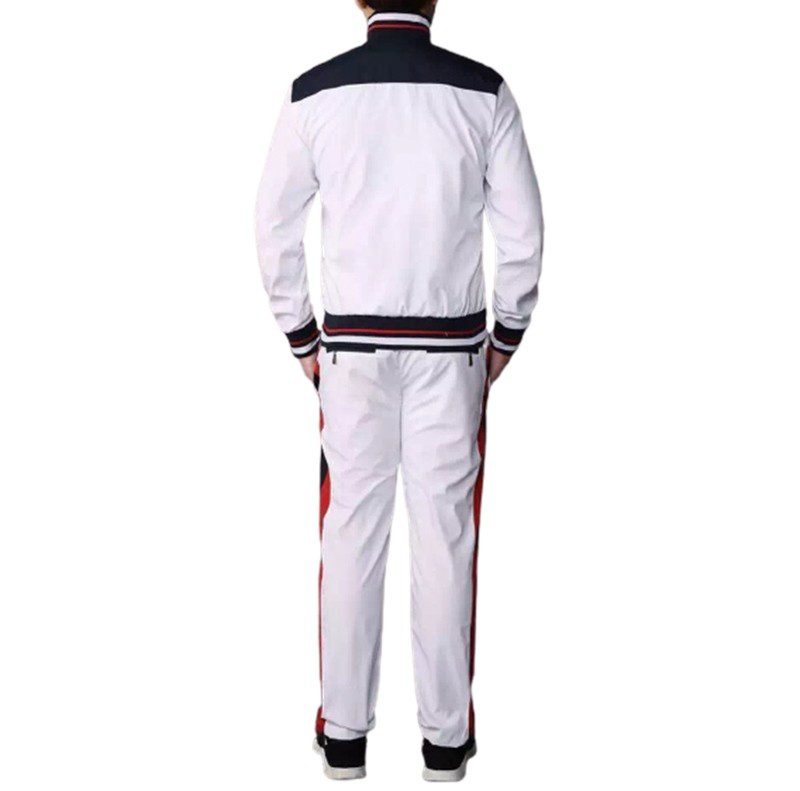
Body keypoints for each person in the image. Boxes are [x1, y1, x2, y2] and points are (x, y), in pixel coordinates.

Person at [255, 0, 543, 781]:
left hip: (352, 351)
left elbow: (272, 227)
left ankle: (344, 736)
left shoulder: (315, 92)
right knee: (447, 540)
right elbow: (523, 235)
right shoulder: (483, 91)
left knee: (351, 534)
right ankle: (445, 743)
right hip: (451, 351)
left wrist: (303, 337)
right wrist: (506, 335)